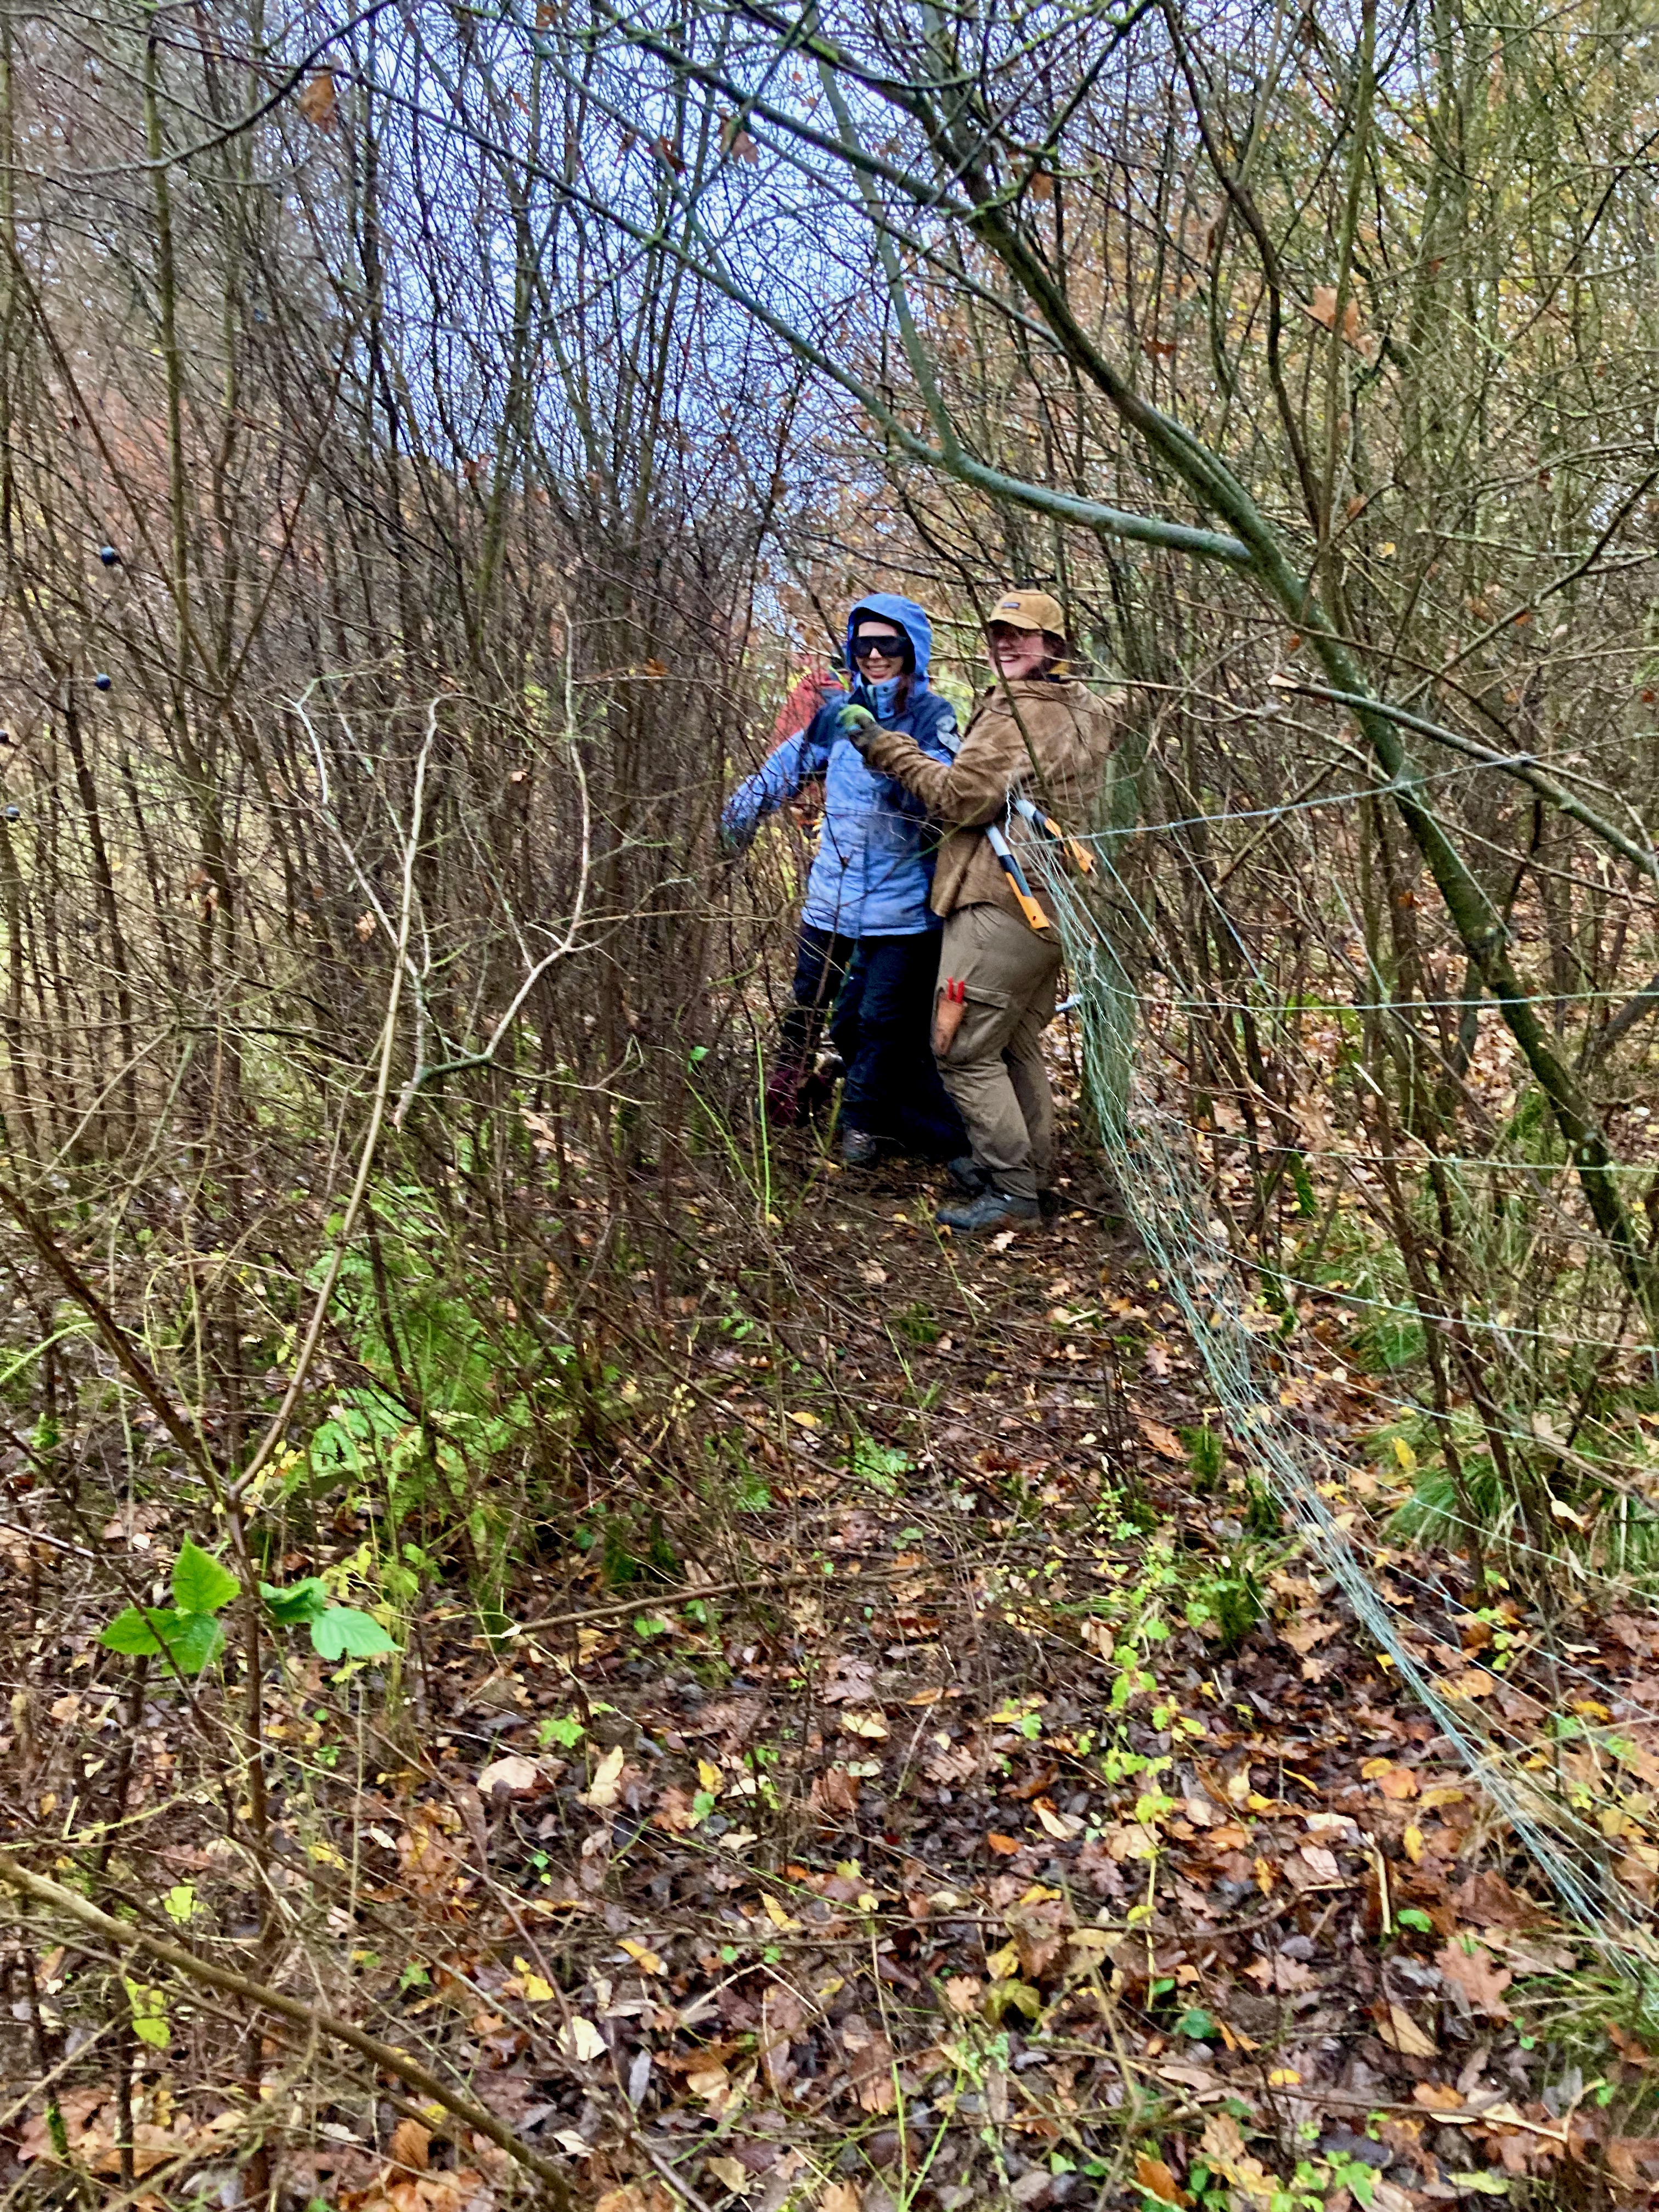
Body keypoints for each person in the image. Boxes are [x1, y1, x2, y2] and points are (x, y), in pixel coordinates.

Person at [844, 588, 1119, 1231]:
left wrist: (881, 744)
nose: (1005, 642)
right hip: (1058, 907)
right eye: (997, 631)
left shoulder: (1021, 711)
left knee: (961, 1048)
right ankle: (1023, 1168)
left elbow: (961, 799)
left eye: (1021, 634)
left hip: (1002, 904)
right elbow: (1125, 707)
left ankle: (1014, 1191)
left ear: (1054, 647)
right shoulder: (1084, 706)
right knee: (1014, 1045)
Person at [720, 596, 970, 1167]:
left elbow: (943, 800)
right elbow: (783, 770)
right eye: (865, 644)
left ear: (913, 651)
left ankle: (861, 1126)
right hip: (831, 897)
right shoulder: (835, 712)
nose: (877, 655)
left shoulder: (933, 716)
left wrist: (886, 756)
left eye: (890, 644)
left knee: (880, 1021)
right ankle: (783, 1102)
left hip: (904, 904)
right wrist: (735, 821)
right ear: (852, 650)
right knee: (806, 1006)